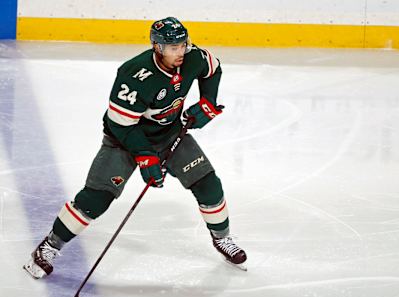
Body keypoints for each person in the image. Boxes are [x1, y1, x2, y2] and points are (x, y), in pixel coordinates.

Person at [23, 17, 247, 279]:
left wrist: (208, 102)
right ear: (157, 47)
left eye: (183, 44)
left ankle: (222, 238)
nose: (181, 52)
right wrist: (145, 156)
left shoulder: (193, 56)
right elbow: (122, 125)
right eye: (173, 47)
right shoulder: (135, 74)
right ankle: (49, 245)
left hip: (170, 133)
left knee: (208, 184)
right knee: (96, 198)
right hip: (125, 140)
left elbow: (213, 69)